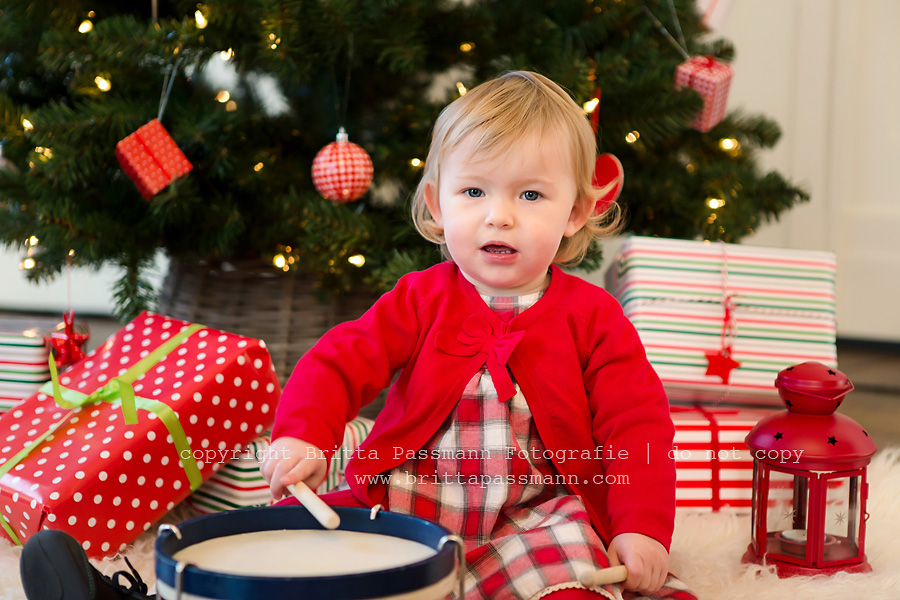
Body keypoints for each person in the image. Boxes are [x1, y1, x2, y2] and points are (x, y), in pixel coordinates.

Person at [262, 71, 695, 600]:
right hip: (408, 499)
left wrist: (642, 527)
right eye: (473, 191)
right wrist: (302, 434)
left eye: (531, 194)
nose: (499, 217)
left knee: (573, 583)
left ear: (576, 212)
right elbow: (339, 361)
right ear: (439, 205)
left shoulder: (594, 318)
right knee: (282, 541)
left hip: (534, 515)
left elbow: (637, 428)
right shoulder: (420, 299)